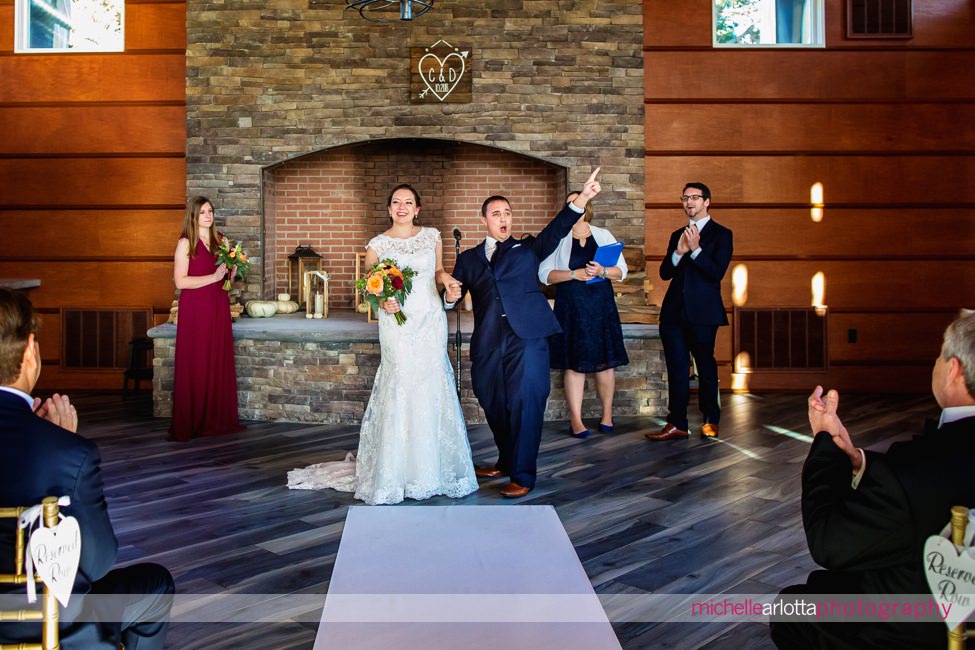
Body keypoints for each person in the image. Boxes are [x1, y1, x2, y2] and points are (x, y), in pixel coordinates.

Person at [770, 309, 975, 649]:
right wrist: (857, 460)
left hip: (922, 632)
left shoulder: (916, 467)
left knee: (793, 607)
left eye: (940, 354)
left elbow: (829, 543)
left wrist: (825, 445)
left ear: (953, 370)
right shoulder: (917, 466)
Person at [0, 288, 174, 649]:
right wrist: (59, 444)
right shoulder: (67, 453)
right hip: (44, 632)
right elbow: (96, 563)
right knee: (155, 584)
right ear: (31, 350)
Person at [288, 184, 478, 505]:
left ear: (418, 209)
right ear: (389, 209)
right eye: (395, 202)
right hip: (397, 324)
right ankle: (395, 471)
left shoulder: (432, 236)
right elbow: (370, 289)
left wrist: (447, 283)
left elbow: (438, 272)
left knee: (431, 383)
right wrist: (383, 300)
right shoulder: (377, 245)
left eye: (408, 202)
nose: (402, 207)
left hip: (430, 319)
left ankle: (432, 470)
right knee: (402, 382)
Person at [444, 168, 603, 498]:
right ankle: (505, 460)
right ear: (485, 220)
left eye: (507, 213)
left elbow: (557, 229)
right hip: (488, 341)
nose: (503, 219)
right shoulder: (469, 259)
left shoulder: (529, 248)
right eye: (496, 214)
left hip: (528, 337)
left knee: (526, 402)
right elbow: (451, 298)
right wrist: (448, 297)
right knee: (492, 400)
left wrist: (583, 197)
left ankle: (523, 474)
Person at [538, 192, 629, 438]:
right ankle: (576, 420)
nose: (574, 206)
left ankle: (607, 415)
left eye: (578, 202)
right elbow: (544, 274)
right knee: (573, 364)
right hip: (571, 306)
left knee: (605, 362)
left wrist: (603, 270)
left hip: (601, 306)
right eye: (569, 203)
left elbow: (622, 270)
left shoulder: (603, 235)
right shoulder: (559, 238)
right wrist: (573, 274)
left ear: (586, 207)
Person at [647, 182, 733, 441]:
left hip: (703, 313)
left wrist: (695, 250)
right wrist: (678, 252)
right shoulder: (678, 234)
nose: (689, 202)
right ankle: (677, 423)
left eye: (695, 197)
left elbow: (715, 272)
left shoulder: (722, 234)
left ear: (707, 201)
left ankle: (711, 420)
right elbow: (665, 273)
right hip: (674, 313)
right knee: (676, 368)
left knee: (705, 366)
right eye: (685, 198)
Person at [169, 196, 245, 441]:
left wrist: (229, 275)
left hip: (217, 306)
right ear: (193, 215)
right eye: (202, 212)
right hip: (195, 309)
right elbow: (180, 281)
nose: (208, 215)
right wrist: (212, 278)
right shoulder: (185, 243)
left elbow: (224, 282)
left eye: (210, 211)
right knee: (197, 359)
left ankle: (216, 417)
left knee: (216, 357)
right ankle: (193, 420)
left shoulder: (222, 240)